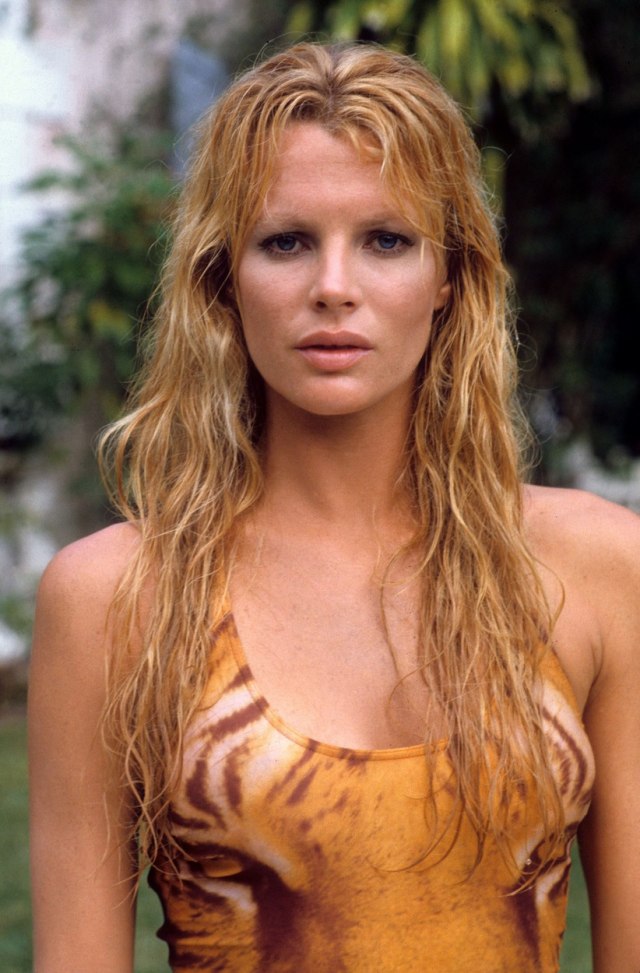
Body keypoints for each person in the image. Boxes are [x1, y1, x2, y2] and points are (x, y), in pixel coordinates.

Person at [28, 41, 639, 973]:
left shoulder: (596, 568)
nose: (334, 288)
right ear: (223, 278)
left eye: (387, 240)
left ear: (450, 277)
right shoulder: (114, 597)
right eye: (287, 241)